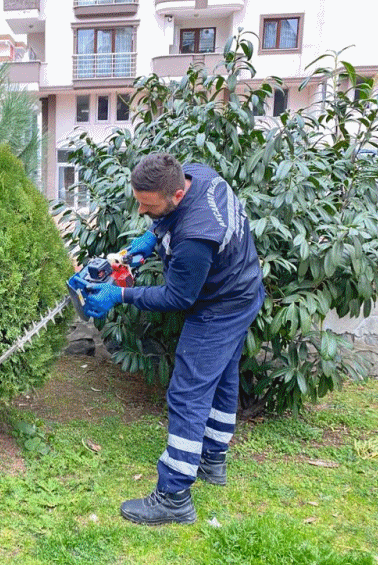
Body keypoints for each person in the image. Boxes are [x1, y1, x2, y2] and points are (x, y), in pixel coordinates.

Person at [78, 153, 265, 525]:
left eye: (149, 207)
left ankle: (174, 495)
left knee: (188, 391)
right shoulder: (197, 175)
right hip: (243, 289)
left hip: (222, 304)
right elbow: (170, 219)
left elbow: (180, 297)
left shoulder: (197, 236)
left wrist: (120, 295)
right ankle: (212, 460)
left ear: (176, 196)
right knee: (223, 375)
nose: (141, 209)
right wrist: (151, 237)